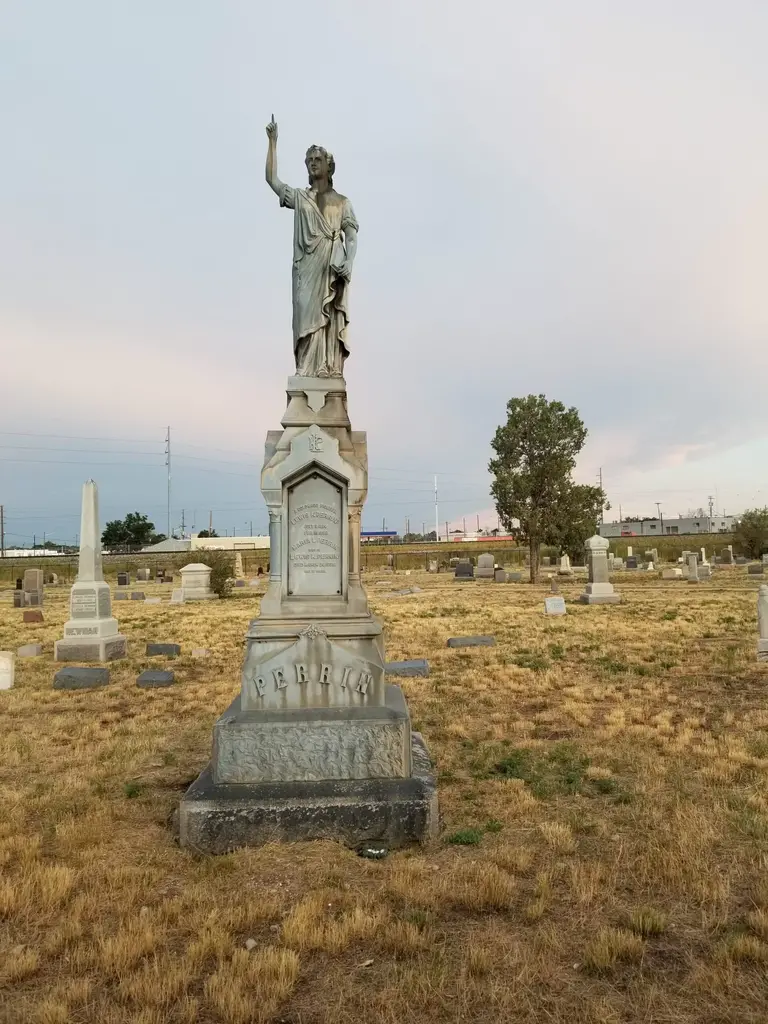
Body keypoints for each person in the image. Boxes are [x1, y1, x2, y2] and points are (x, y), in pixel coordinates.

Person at [265, 116, 358, 378]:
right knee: (304, 314)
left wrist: (348, 262)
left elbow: (351, 235)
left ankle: (327, 367)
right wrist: (273, 143)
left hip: (330, 265)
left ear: (329, 166)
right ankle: (305, 369)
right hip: (305, 269)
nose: (313, 163)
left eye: (318, 159)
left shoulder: (342, 202)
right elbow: (272, 180)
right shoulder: (301, 197)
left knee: (327, 315)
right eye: (309, 160)